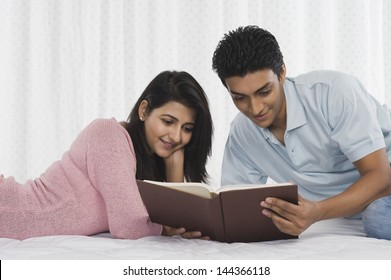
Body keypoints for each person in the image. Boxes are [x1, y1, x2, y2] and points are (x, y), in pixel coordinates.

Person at [212, 25, 391, 240]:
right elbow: (235, 205)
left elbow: (381, 177)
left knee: (379, 217)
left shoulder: (334, 92)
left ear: (282, 73)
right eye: (240, 97)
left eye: (264, 91)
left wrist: (317, 212)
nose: (255, 108)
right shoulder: (242, 132)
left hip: (385, 177)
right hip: (355, 207)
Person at [0, 70, 213, 240]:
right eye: (168, 121)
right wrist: (164, 229)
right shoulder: (109, 135)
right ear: (144, 111)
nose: (176, 136)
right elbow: (129, 226)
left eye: (187, 128)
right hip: (10, 208)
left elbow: (172, 219)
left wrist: (175, 165)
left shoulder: (150, 159)